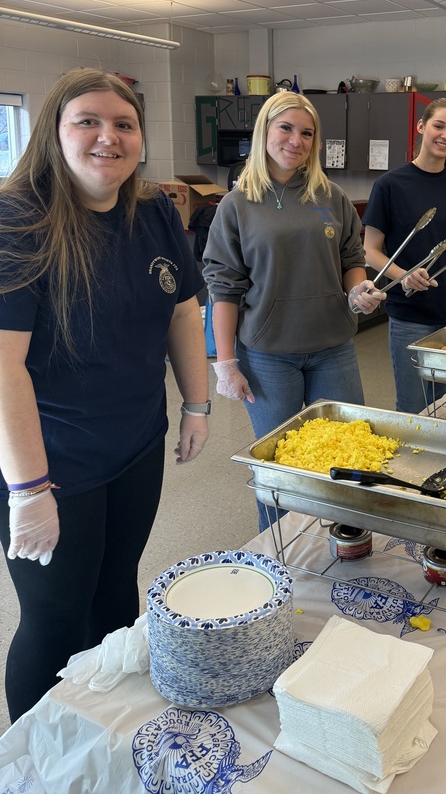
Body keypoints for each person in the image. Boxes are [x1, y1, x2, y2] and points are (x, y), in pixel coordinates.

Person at [0, 68, 209, 722]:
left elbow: (182, 309)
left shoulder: (152, 211)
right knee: (56, 616)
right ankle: (31, 762)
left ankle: (101, 727)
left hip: (135, 444)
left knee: (117, 596)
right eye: (87, 121)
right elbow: (5, 369)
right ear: (54, 132)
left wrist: (197, 404)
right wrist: (29, 491)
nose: (106, 137)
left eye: (124, 124)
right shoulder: (17, 220)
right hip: (53, 461)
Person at [202, 92, 384, 531]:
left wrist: (359, 291)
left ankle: (345, 541)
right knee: (280, 465)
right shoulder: (237, 204)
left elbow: (349, 258)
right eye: (285, 128)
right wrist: (225, 364)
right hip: (268, 354)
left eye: (307, 132)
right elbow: (223, 289)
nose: (296, 140)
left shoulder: (330, 195)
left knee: (348, 452)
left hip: (332, 347)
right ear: (265, 131)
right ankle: (279, 551)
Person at [363, 98, 446, 414]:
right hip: (410, 316)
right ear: (421, 127)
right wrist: (401, 274)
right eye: (439, 126)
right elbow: (370, 251)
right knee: (414, 407)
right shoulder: (390, 184)